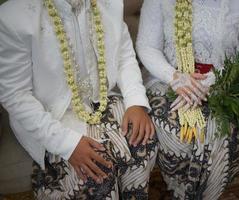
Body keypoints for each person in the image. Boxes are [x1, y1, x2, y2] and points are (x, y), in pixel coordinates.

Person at [0, 0, 157, 199]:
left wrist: (136, 102)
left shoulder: (109, 3)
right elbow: (15, 95)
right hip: (52, 113)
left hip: (102, 98)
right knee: (97, 170)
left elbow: (124, 56)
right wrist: (67, 144)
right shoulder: (13, 17)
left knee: (144, 138)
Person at [137, 0, 239, 199]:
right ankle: (180, 192)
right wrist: (175, 78)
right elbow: (147, 46)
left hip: (224, 85)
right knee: (177, 138)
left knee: (218, 137)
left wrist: (209, 83)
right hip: (167, 80)